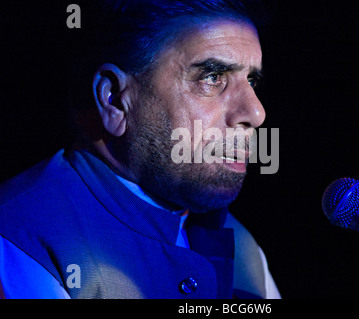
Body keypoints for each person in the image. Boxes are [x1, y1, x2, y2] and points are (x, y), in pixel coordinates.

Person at [0, 0, 281, 299]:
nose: (256, 112)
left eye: (251, 80)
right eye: (211, 77)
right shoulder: (21, 237)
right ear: (115, 100)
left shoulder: (240, 243)